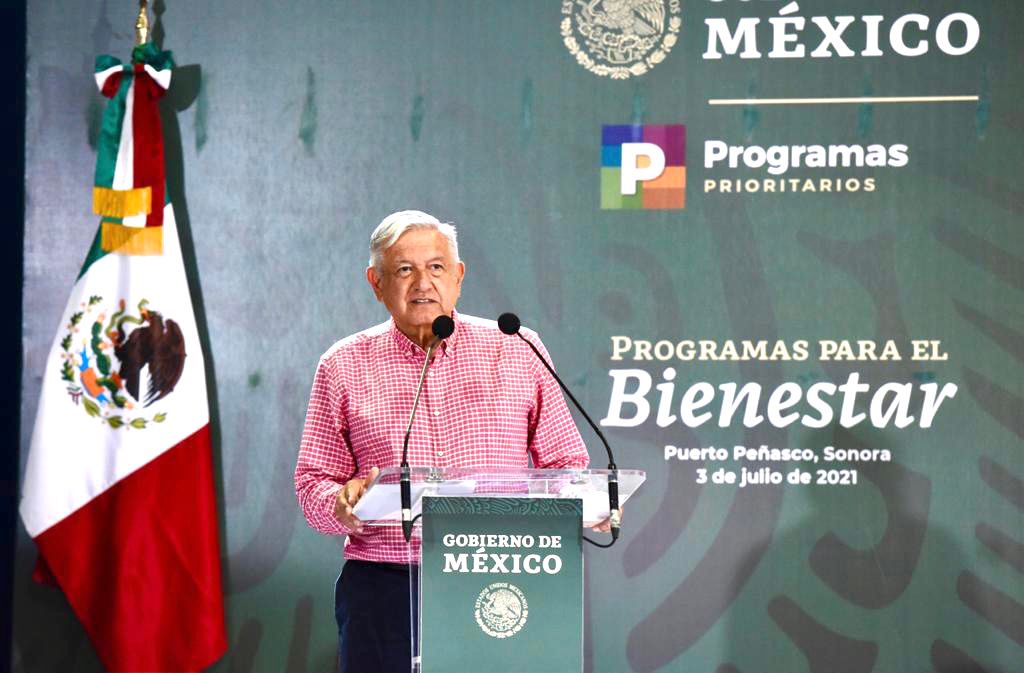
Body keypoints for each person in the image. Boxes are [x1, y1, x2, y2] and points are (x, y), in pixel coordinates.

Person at [295, 210, 591, 673]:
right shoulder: (343, 364)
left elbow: (566, 464)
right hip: (386, 588)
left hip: (503, 577)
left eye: (436, 267)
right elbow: (312, 483)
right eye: (404, 269)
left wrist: (584, 504)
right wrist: (339, 502)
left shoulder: (516, 347)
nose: (423, 283)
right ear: (376, 283)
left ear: (458, 276)